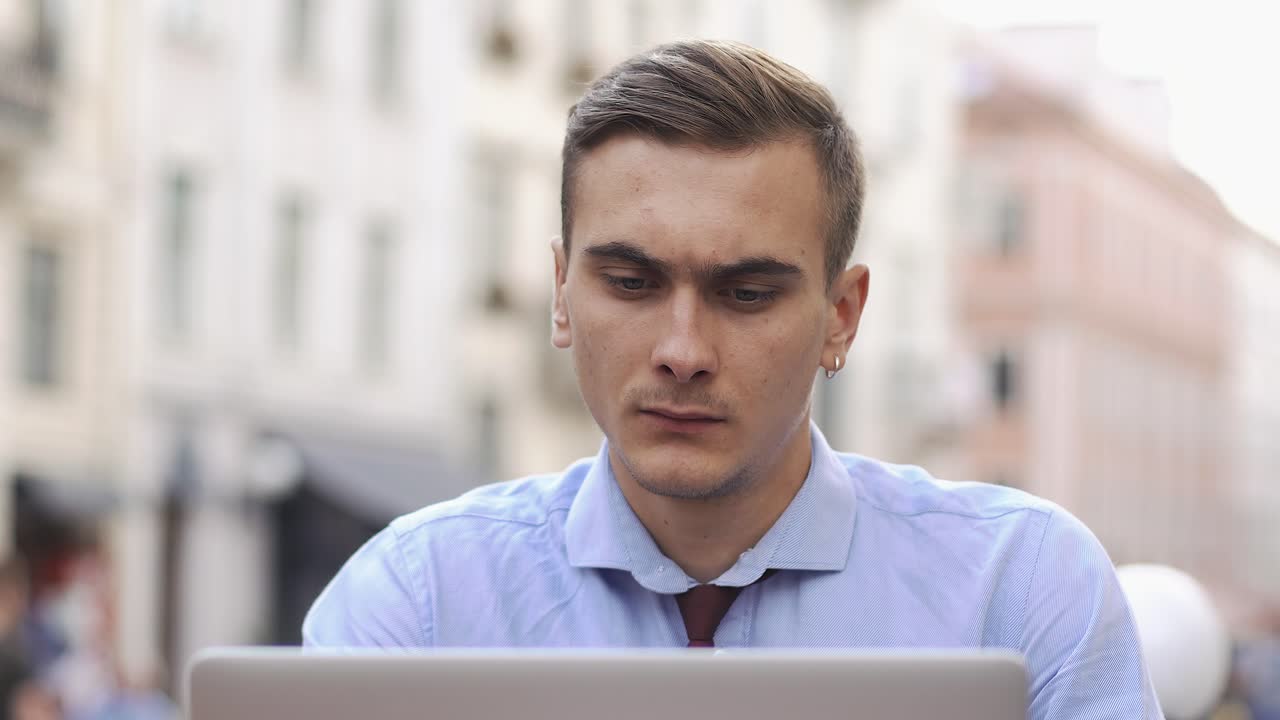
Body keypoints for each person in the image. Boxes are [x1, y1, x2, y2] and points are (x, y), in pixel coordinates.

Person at [304, 40, 1162, 719]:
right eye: (631, 284)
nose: (683, 349)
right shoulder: (420, 604)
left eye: (745, 293)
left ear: (842, 315)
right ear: (561, 297)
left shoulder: (1018, 588)